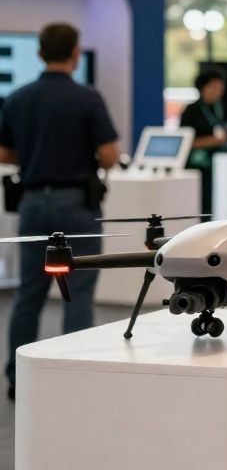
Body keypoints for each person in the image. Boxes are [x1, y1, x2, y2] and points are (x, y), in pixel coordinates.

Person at [0, 23, 119, 400]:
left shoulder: (17, 98)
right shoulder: (87, 98)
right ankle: (73, 372)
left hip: (33, 202)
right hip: (77, 204)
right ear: (75, 53)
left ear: (40, 53)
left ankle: (18, 377)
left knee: (29, 293)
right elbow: (110, 155)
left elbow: (4, 153)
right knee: (78, 292)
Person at [179, 67, 227, 214]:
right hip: (198, 166)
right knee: (201, 203)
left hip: (219, 164)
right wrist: (212, 141)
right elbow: (186, 141)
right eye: (214, 87)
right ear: (203, 88)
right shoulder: (191, 111)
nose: (218, 91)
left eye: (220, 88)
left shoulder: (221, 108)